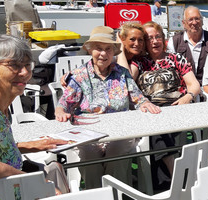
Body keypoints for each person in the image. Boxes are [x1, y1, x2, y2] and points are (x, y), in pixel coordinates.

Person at [54, 26, 161, 189]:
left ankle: (115, 194)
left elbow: (138, 98)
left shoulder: (122, 73)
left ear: (113, 52)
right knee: (90, 159)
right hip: (89, 132)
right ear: (90, 50)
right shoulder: (79, 75)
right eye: (98, 48)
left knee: (116, 156)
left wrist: (145, 103)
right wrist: (61, 110)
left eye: (108, 49)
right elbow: (65, 102)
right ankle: (96, 194)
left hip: (119, 131)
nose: (103, 54)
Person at [0, 34, 68, 196]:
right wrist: (34, 181)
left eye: (28, 65)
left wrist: (30, 145)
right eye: (14, 65)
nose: (25, 72)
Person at [131, 21, 200, 190]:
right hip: (152, 110)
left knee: (161, 134)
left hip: (177, 106)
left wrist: (188, 97)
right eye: (149, 38)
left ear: (163, 39)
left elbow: (194, 84)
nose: (154, 41)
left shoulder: (176, 58)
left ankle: (167, 186)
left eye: (157, 37)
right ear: (144, 43)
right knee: (157, 131)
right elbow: (126, 82)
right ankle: (177, 177)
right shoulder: (139, 62)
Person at [167, 6, 208, 86]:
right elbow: (170, 69)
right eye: (190, 19)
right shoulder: (173, 42)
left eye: (197, 19)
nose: (194, 22)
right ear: (184, 23)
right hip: (184, 87)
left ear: (202, 21)